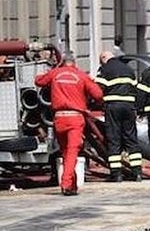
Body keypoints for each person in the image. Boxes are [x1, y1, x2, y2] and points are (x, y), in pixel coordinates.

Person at [34, 51, 102, 195]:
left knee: (66, 153)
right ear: (74, 62)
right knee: (72, 152)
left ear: (62, 62)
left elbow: (38, 81)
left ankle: (72, 185)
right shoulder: (81, 76)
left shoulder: (55, 73)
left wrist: (53, 71)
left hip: (59, 118)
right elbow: (98, 95)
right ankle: (66, 184)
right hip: (75, 118)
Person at [96, 50, 141, 181]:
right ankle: (137, 172)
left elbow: (97, 89)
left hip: (113, 106)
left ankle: (116, 174)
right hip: (129, 106)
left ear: (104, 59)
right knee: (131, 138)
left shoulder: (105, 69)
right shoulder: (129, 70)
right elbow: (136, 89)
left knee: (114, 138)